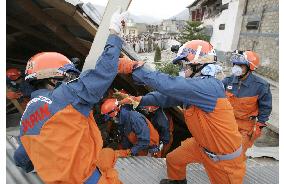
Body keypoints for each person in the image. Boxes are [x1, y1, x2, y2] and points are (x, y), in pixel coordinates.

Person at [13, 10, 128, 184]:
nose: (72, 81)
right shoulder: (65, 96)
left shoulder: (26, 119)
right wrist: (114, 34)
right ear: (53, 79)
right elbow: (103, 73)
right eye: (69, 77)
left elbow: (21, 158)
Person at [117, 40, 245, 184]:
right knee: (174, 159)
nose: (182, 70)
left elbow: (169, 86)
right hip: (202, 145)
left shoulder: (209, 87)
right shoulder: (196, 88)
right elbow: (166, 98)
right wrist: (138, 100)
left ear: (198, 64)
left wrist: (134, 68)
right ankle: (177, 181)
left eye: (184, 65)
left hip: (224, 160)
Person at [222, 50, 272, 160]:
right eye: (235, 65)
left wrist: (260, 124)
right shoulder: (227, 81)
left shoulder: (261, 86)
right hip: (227, 124)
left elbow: (265, 107)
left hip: (245, 127)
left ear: (250, 67)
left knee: (237, 155)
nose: (236, 68)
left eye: (241, 65)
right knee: (222, 152)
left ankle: (235, 174)